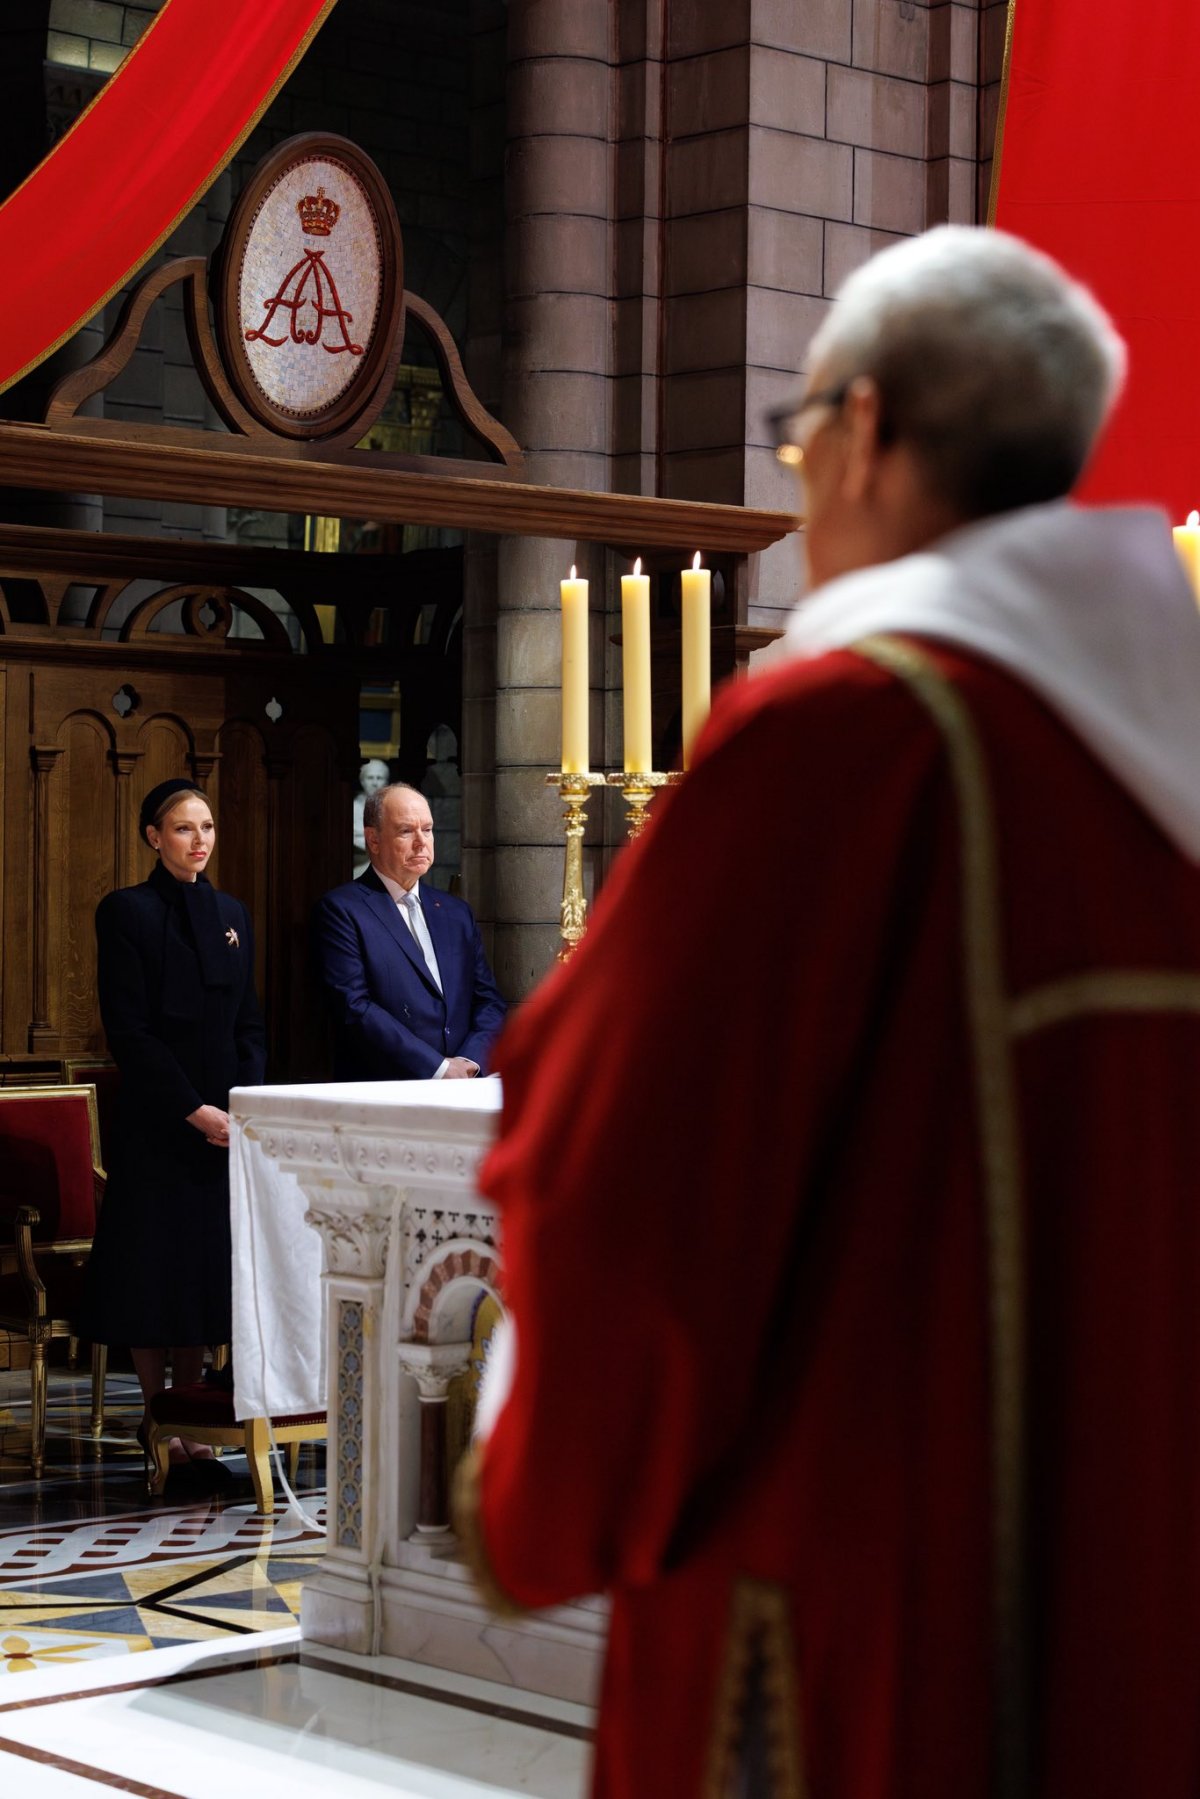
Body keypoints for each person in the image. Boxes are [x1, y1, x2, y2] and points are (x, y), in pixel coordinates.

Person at [455, 227, 1200, 1798]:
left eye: (798, 442)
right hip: (1141, 1591)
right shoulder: (1162, 770)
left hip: (854, 1614)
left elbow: (626, 1169)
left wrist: (535, 1486)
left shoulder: (849, 733)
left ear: (864, 428)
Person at [83, 778, 266, 1464]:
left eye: (208, 827)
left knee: (202, 1270)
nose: (199, 840)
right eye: (184, 828)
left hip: (224, 1123)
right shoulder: (126, 911)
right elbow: (130, 1031)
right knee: (152, 1268)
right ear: (154, 836)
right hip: (162, 1121)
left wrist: (246, 1104)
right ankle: (159, 1410)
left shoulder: (232, 913)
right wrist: (193, 1109)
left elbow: (249, 1021)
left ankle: (194, 1410)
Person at [313, 780, 506, 1079]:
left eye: (427, 830)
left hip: (466, 1086)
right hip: (388, 1090)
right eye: (406, 831)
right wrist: (439, 1068)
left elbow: (488, 1001)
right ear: (373, 840)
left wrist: (471, 1060)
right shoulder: (343, 909)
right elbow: (355, 1007)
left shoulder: (456, 913)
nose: (421, 842)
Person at [352, 757, 390, 878]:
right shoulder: (354, 808)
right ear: (362, 781)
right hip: (360, 863)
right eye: (370, 778)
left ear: (386, 782)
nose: (374, 783)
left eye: (379, 778)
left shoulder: (393, 808)